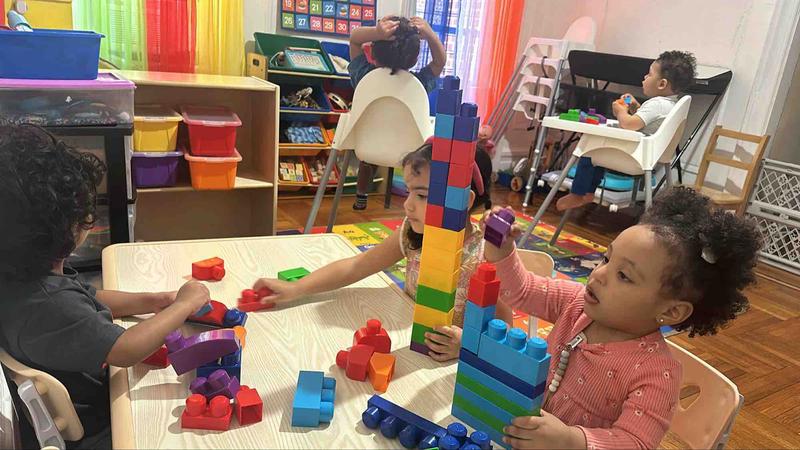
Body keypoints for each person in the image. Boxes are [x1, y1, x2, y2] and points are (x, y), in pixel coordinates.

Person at [481, 187, 761, 449]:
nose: (598, 274)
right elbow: (522, 291)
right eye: (606, 259)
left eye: (624, 276)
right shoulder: (577, 303)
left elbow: (635, 442)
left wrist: (571, 440)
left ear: (671, 312)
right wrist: (502, 251)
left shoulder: (656, 374)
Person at [0, 125, 211, 449]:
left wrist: (153, 300)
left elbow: (88, 296)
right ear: (65, 227)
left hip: (91, 398)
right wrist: (184, 305)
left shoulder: (24, 274)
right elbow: (126, 349)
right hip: (103, 427)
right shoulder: (49, 306)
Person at [252, 142, 499, 361]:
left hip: (451, 369)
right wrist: (297, 288)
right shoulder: (412, 234)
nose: (407, 203)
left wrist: (465, 345)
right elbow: (356, 266)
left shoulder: (485, 256)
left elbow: (503, 330)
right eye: (410, 190)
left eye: (422, 195)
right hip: (408, 345)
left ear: (462, 201)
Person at [557, 50, 697, 211]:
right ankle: (588, 193)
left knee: (587, 152)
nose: (644, 78)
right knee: (597, 153)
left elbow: (629, 124)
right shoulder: (670, 105)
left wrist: (620, 111)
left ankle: (578, 194)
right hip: (649, 157)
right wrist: (634, 106)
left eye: (649, 75)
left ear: (662, 84)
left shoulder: (656, 104)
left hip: (634, 157)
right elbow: (644, 121)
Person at [349, 15, 447, 211]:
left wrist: (377, 32)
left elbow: (354, 39)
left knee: (366, 161)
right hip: (411, 152)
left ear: (373, 53)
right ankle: (418, 198)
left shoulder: (364, 76)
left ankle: (361, 196)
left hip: (367, 147)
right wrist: (430, 34)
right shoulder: (418, 84)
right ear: (414, 58)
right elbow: (439, 62)